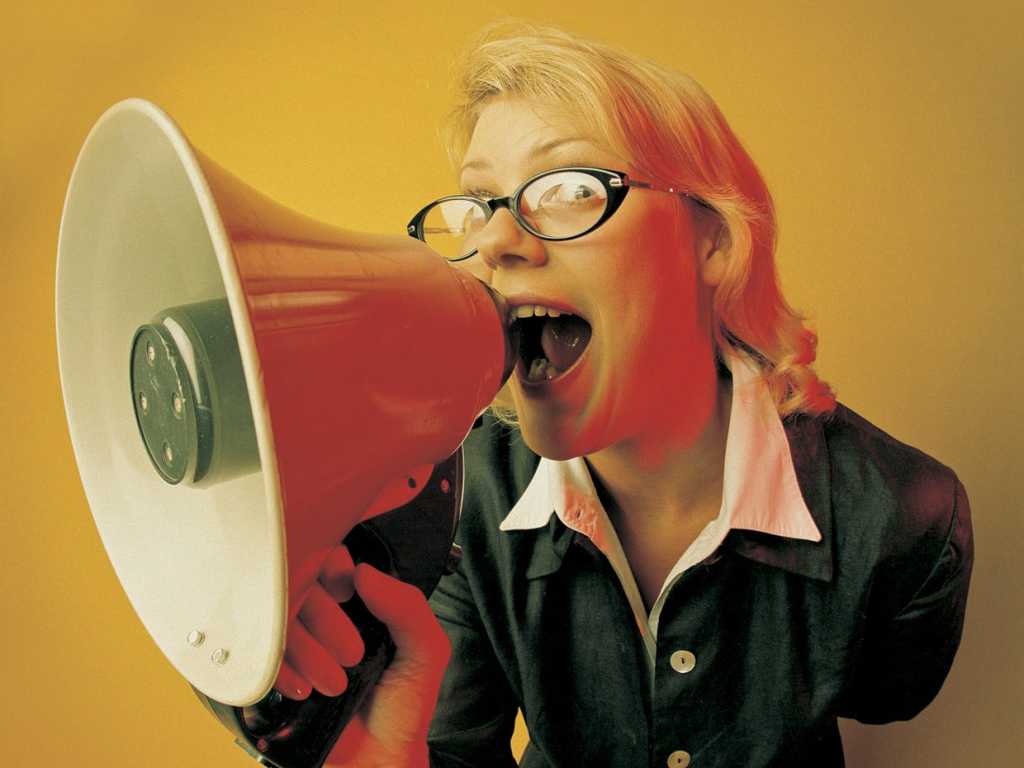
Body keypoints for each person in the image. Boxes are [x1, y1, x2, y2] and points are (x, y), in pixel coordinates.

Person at [278, 22, 974, 768]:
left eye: (571, 188)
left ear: (714, 241)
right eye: (481, 203)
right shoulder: (455, 493)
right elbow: (456, 744)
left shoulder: (907, 515)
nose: (494, 243)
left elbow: (889, 696)